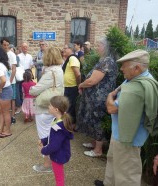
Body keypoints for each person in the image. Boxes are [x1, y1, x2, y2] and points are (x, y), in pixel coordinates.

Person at [94, 49, 158, 186]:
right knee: (113, 161)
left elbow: (111, 108)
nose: (121, 69)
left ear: (137, 67)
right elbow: (120, 89)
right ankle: (108, 183)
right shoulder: (135, 78)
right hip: (120, 133)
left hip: (128, 139)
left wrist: (109, 96)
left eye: (124, 65)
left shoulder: (137, 88)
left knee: (127, 173)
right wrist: (115, 92)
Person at [77, 37, 118, 157]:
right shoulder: (104, 60)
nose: (96, 48)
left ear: (105, 47)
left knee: (97, 120)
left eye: (98, 45)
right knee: (93, 119)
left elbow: (92, 81)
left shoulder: (107, 61)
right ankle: (94, 142)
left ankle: (98, 150)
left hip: (99, 98)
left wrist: (81, 84)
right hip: (95, 97)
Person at [30, 47, 64, 173]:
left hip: (45, 108)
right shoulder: (59, 70)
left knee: (44, 136)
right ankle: (53, 160)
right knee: (51, 134)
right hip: (55, 105)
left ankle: (47, 165)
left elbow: (35, 90)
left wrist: (30, 89)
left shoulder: (50, 72)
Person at [40, 96, 73, 186]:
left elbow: (54, 145)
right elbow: (53, 136)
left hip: (58, 155)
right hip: (59, 153)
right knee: (59, 175)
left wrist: (43, 150)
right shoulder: (57, 120)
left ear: (56, 109)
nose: (48, 107)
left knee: (59, 178)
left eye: (50, 105)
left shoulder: (59, 126)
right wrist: (44, 140)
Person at [62, 44, 81, 130]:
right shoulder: (69, 59)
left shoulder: (72, 58)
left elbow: (78, 74)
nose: (63, 50)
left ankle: (71, 126)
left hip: (72, 87)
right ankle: (69, 126)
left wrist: (78, 86)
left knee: (71, 107)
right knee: (68, 107)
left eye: (65, 48)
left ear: (71, 49)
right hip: (68, 87)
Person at [1, 38, 17, 124]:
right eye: (4, 45)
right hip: (2, 79)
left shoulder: (12, 55)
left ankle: (13, 116)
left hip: (11, 80)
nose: (6, 46)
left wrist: (10, 81)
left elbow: (14, 69)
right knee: (4, 99)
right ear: (1, 45)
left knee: (12, 99)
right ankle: (4, 115)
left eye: (7, 45)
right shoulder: (0, 54)